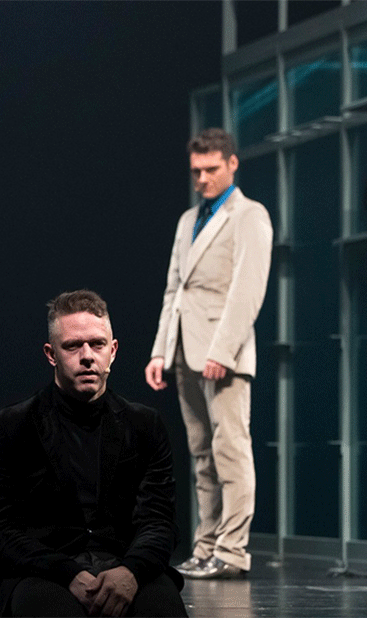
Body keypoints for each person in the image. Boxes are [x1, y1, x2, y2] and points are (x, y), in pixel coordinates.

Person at [0, 290, 188, 617]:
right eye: (73, 346)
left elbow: (159, 520)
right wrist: (68, 574)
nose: (87, 356)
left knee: (162, 611)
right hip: (43, 571)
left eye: (97, 344)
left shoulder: (144, 425)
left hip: (128, 567)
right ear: (51, 354)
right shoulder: (10, 427)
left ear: (113, 351)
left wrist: (131, 571)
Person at [145, 128, 273, 580]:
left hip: (223, 353)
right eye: (196, 171)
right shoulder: (188, 219)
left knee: (231, 450)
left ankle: (232, 550)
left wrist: (224, 350)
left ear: (233, 164)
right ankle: (206, 546)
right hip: (185, 349)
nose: (203, 178)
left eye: (211, 169)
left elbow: (247, 290)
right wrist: (160, 351)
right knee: (202, 455)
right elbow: (174, 290)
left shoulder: (249, 215)